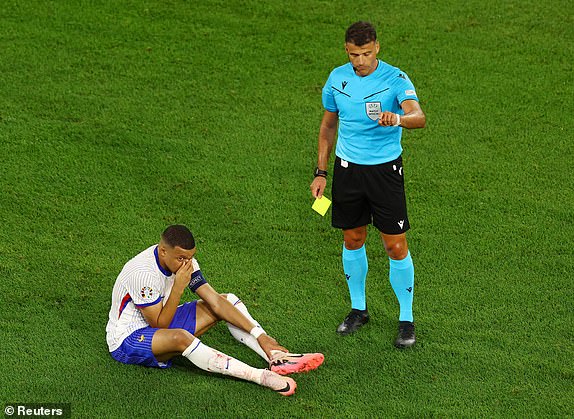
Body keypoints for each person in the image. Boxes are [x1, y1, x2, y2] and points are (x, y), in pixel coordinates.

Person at [310, 21, 426, 348]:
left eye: (364, 53)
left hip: (385, 173)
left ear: (377, 47)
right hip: (348, 172)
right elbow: (328, 126)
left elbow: (419, 116)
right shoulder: (337, 79)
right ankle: (359, 310)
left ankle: (406, 318)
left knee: (395, 245)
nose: (359, 60)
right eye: (352, 54)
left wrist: (399, 118)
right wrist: (321, 171)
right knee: (353, 237)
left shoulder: (395, 79)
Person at [106, 224, 324, 396]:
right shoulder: (142, 273)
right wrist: (179, 288)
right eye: (181, 258)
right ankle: (260, 377)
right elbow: (159, 325)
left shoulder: (184, 262)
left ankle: (276, 357)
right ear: (163, 251)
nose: (186, 263)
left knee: (226, 299)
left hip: (161, 320)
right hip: (128, 339)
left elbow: (217, 302)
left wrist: (262, 336)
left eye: (190, 257)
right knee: (180, 337)